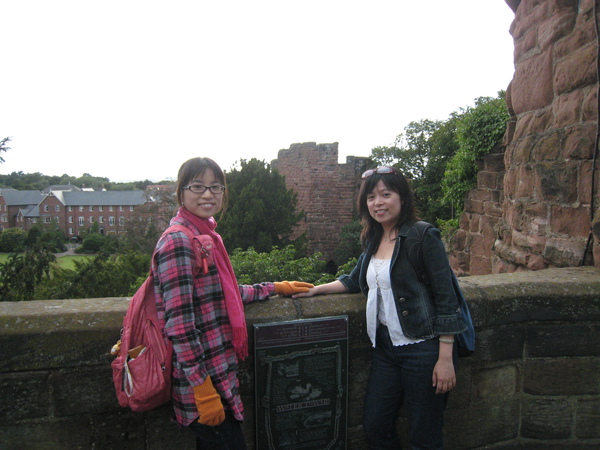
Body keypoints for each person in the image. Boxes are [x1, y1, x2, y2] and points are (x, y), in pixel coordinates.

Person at [294, 166, 466, 449]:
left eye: (386, 194)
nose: (378, 202)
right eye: (372, 197)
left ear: (402, 197)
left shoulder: (423, 236)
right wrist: (315, 290)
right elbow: (354, 280)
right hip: (385, 348)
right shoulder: (373, 239)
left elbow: (447, 299)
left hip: (424, 348)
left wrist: (445, 358)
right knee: (375, 426)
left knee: (425, 434)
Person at [153, 157, 312, 449]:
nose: (208, 194)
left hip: (220, 377)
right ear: (181, 192)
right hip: (203, 385)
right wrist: (203, 390)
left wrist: (274, 288)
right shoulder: (178, 241)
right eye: (198, 186)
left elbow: (223, 294)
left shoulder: (205, 236)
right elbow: (179, 326)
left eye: (216, 187)